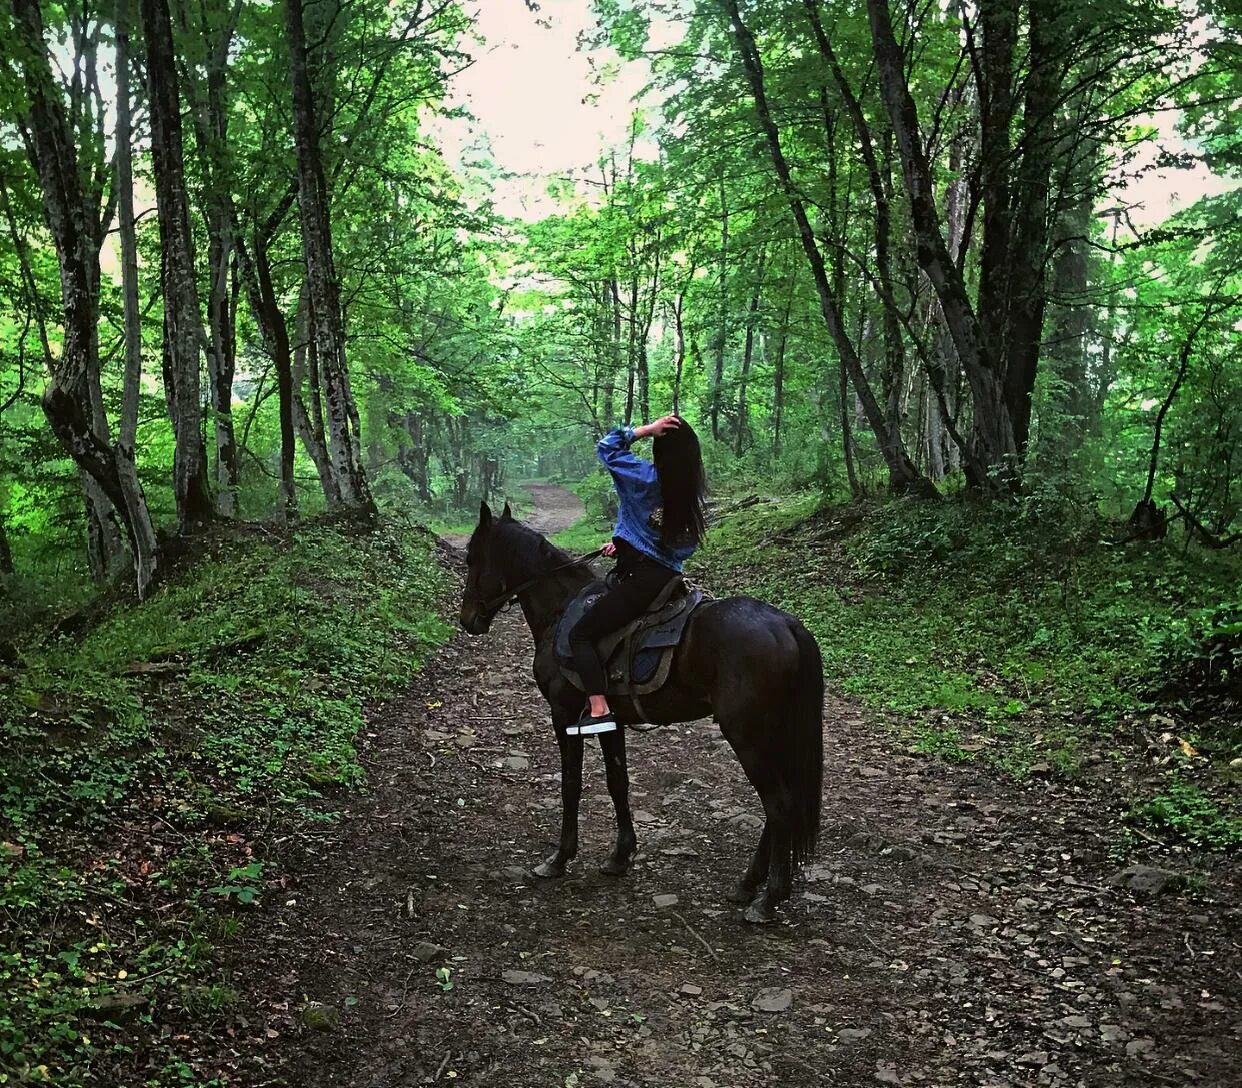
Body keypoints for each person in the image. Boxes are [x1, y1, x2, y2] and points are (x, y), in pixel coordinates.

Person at [566, 415, 708, 736]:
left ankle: (599, 708)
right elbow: (682, 548)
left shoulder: (643, 477)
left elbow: (608, 447)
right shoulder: (688, 491)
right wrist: (627, 543)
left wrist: (645, 430)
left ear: (659, 448)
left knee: (581, 635)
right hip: (666, 577)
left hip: (641, 579)